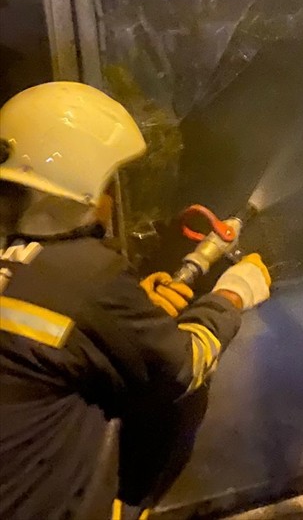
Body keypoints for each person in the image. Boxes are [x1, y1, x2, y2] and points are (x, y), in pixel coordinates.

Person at [0, 82, 272, 520]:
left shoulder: (32, 268)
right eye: (109, 182)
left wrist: (133, 312)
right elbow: (182, 366)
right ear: (81, 185)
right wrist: (232, 294)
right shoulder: (87, 274)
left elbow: (53, 342)